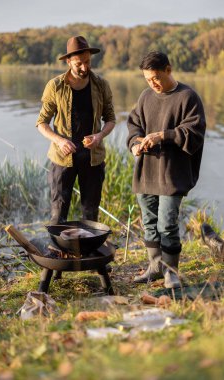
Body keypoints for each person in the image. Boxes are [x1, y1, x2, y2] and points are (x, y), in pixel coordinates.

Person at [127, 51, 206, 288]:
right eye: (148, 79)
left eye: (156, 78)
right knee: (150, 222)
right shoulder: (145, 96)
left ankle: (171, 271)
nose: (153, 84)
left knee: (167, 222)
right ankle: (155, 267)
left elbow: (194, 133)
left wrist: (164, 135)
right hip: (147, 170)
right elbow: (133, 125)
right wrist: (134, 145)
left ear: (168, 69)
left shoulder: (188, 97)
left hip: (173, 173)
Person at [36, 36, 116, 224]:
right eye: (79, 63)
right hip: (62, 159)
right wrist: (60, 140)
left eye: (87, 62)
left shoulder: (101, 85)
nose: (84, 67)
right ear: (68, 61)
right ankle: (58, 250)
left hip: (93, 158)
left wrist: (100, 135)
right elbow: (41, 123)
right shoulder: (55, 86)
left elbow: (111, 119)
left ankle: (88, 252)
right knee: (58, 216)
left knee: (90, 215)